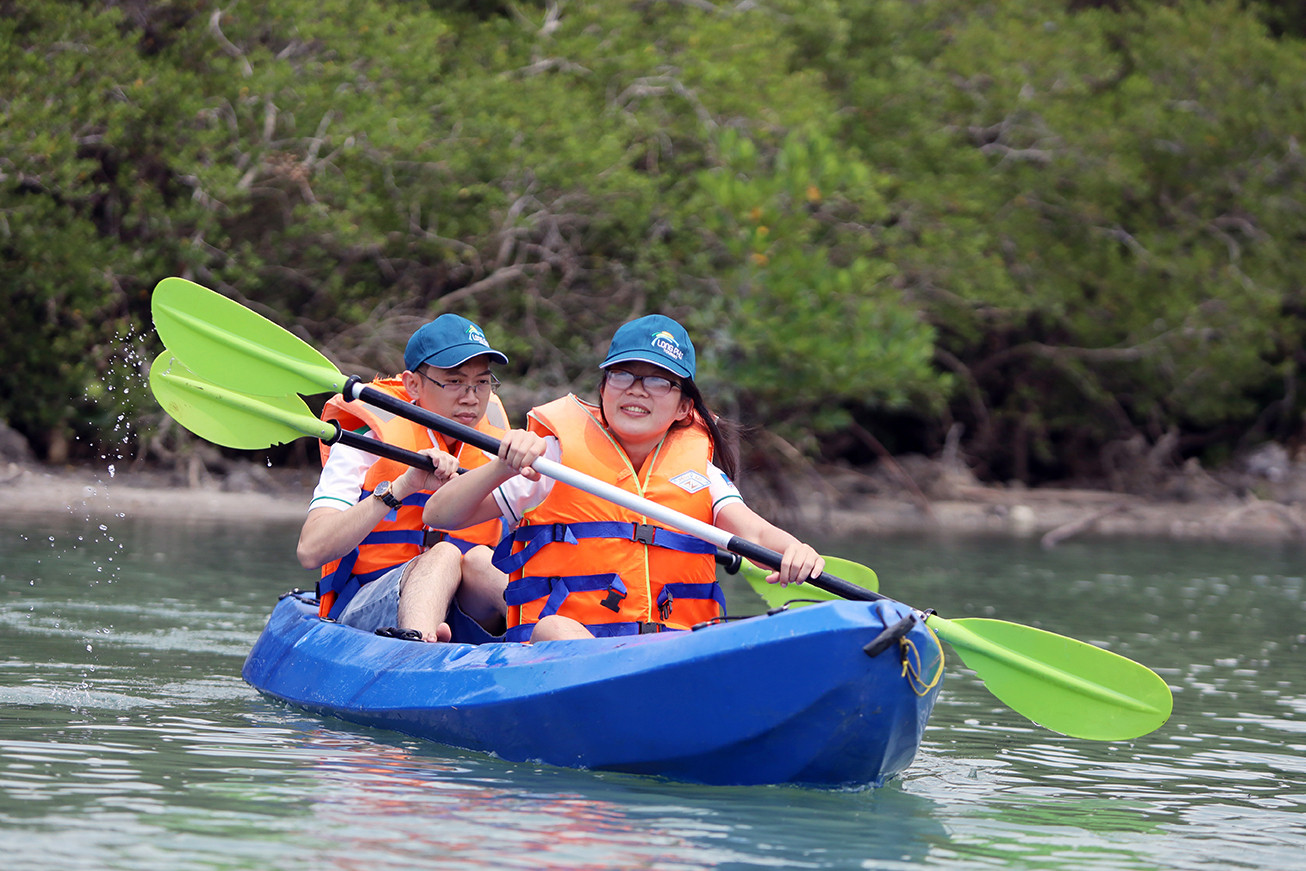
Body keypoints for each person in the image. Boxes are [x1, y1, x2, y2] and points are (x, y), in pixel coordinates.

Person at [423, 314, 824, 642]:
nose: (636, 390)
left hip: (672, 651)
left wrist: (794, 550)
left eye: (657, 381)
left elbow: (753, 533)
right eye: (623, 376)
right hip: (562, 654)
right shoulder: (553, 459)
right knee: (555, 629)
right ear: (603, 388)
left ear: (684, 407)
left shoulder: (700, 472)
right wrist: (501, 466)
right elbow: (439, 515)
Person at [296, 313, 512, 643]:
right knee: (444, 555)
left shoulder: (498, 454)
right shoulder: (363, 446)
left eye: (481, 382)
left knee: (482, 559)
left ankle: (545, 643)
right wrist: (401, 487)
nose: (471, 396)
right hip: (369, 606)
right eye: (454, 381)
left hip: (465, 608)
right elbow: (311, 551)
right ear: (413, 384)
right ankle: (417, 646)